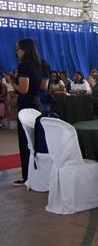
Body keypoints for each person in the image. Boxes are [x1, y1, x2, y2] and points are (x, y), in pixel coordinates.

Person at [12, 39, 49, 186]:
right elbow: (44, 87)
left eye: (18, 49)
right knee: (37, 139)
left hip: (26, 106)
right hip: (38, 104)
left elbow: (23, 89)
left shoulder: (24, 65)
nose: (16, 52)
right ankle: (40, 172)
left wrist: (12, 83)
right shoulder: (43, 64)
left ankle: (27, 176)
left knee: (25, 140)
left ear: (25, 50)